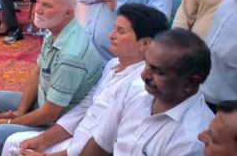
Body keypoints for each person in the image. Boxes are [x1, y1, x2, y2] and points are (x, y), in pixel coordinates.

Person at [9, 4, 169, 156]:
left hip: (88, 150)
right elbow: (85, 106)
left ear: (145, 43)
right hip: (76, 139)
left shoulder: (140, 87)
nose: (111, 35)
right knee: (15, 144)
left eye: (121, 31)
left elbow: (108, 143)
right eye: (114, 28)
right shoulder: (113, 65)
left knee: (10, 142)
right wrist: (43, 140)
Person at [0, 0, 103, 156]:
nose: (38, 9)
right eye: (38, 2)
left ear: (68, 13)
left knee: (1, 132)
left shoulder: (71, 56)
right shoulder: (54, 29)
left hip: (59, 125)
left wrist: (11, 121)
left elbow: (50, 114)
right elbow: (37, 71)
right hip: (46, 103)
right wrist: (19, 111)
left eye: (47, 5)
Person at [79, 29, 213, 156]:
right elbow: (99, 145)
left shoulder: (192, 139)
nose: (144, 74)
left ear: (190, 83)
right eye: (147, 64)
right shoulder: (134, 89)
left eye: (158, 72)